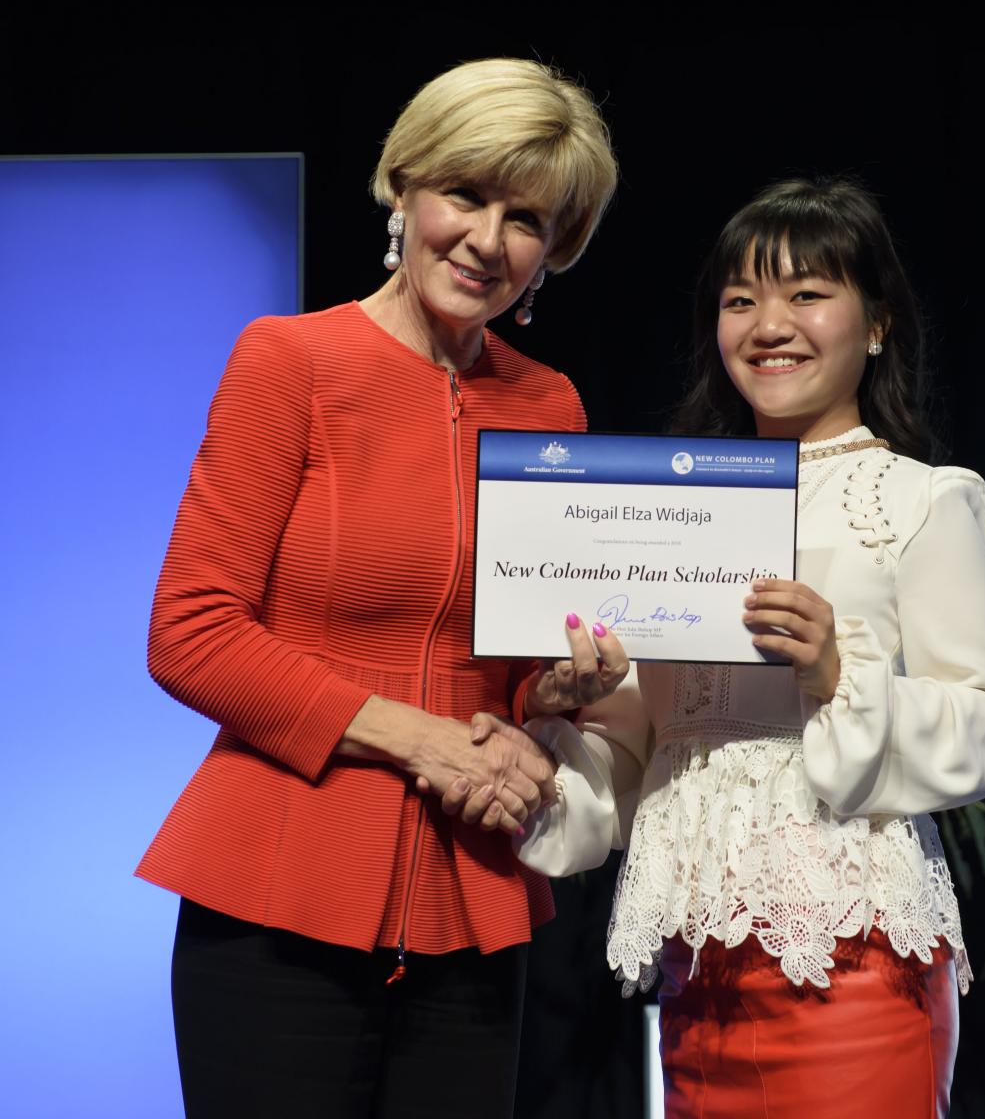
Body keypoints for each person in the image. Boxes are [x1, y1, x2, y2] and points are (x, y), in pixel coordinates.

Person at [136, 57, 627, 1119]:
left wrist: (550, 701)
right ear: (404, 190)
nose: (488, 240)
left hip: (471, 897)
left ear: (556, 249)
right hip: (277, 894)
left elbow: (516, 665)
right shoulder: (289, 361)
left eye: (527, 217)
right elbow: (190, 631)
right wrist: (419, 738)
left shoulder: (552, 408)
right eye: (466, 194)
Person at [504, 177, 985, 1118]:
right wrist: (563, 715)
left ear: (877, 325)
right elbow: (634, 756)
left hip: (852, 958)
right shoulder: (670, 514)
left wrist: (839, 675)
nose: (769, 323)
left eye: (808, 293)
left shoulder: (919, 498)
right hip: (696, 971)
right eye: (740, 300)